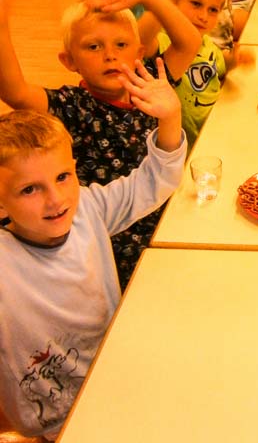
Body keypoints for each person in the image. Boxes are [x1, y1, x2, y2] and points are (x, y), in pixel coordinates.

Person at [0, 61, 187, 441]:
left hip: (117, 377)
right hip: (58, 420)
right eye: (29, 189)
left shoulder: (88, 208)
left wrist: (170, 117)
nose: (56, 199)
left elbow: (154, 180)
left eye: (62, 177)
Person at [0, 0, 200, 289]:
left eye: (121, 45)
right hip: (109, 241)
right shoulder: (69, 105)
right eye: (93, 47)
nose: (109, 55)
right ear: (69, 60)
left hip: (170, 215)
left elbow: (189, 42)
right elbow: (15, 91)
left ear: (139, 53)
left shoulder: (149, 85)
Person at [89, 0, 254, 149]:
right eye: (196, 4)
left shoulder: (209, 46)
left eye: (213, 10)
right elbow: (139, 41)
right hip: (180, 148)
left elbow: (221, 65)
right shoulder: (163, 40)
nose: (203, 16)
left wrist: (234, 60)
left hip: (214, 135)